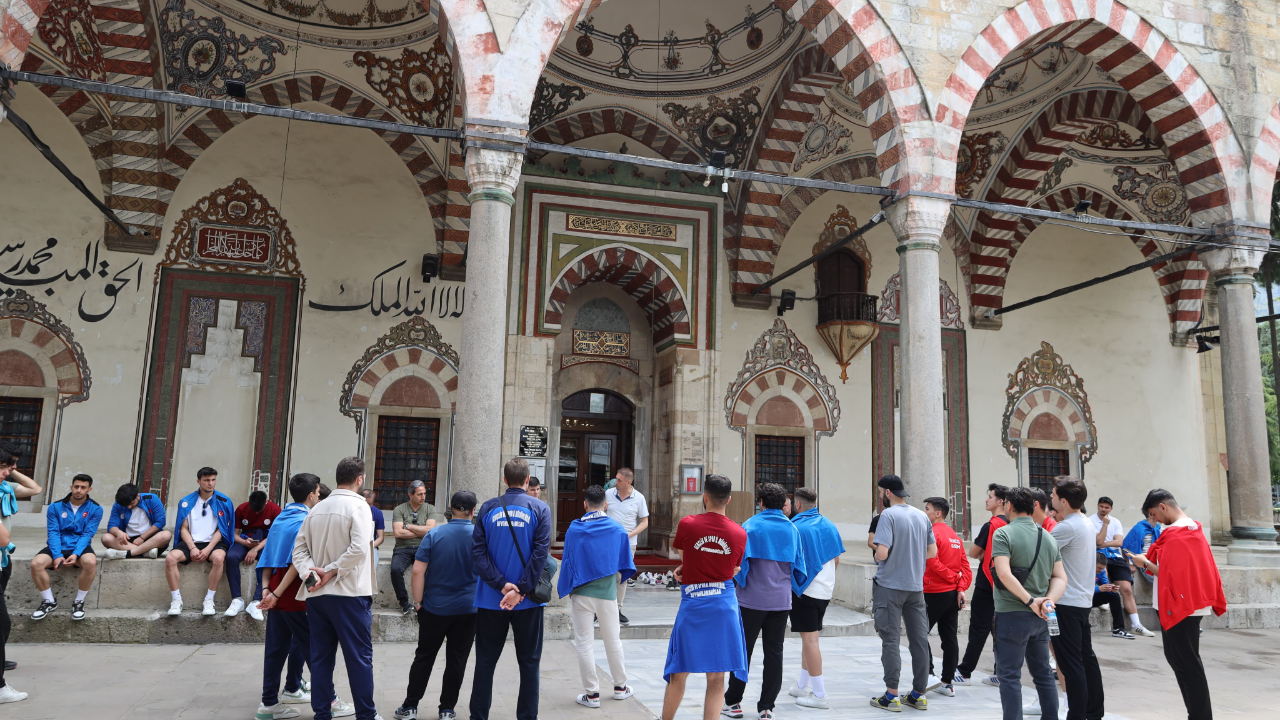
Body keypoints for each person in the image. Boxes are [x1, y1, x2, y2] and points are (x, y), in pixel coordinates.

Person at [292, 456, 379, 720]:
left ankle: (322, 714)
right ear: (360, 479)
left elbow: (299, 551)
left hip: (317, 595)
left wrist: (312, 575)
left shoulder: (316, 508)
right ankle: (366, 715)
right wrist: (330, 572)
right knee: (359, 658)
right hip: (349, 593)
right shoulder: (360, 507)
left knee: (320, 658)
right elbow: (359, 549)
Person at [1128, 489, 1226, 720]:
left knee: (1187, 664)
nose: (1155, 521)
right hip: (1187, 603)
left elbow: (1172, 575)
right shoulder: (1192, 529)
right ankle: (1197, 714)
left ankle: (1200, 716)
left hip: (1181, 605)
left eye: (1154, 514)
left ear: (1163, 507)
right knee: (1181, 661)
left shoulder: (1176, 533)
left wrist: (1144, 562)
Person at [469, 458, 551, 720]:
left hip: (492, 598)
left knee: (485, 662)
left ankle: (478, 716)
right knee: (529, 663)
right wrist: (521, 590)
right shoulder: (540, 508)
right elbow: (541, 555)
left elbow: (478, 553)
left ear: (505, 480)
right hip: (527, 602)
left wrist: (502, 585)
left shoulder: (488, 508)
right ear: (528, 481)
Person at [661, 474, 747, 720]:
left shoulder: (688, 524)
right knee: (717, 675)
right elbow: (733, 568)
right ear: (728, 500)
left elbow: (684, 555)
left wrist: (686, 568)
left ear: (704, 496)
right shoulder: (740, 533)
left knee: (679, 670)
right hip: (723, 605)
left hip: (694, 603)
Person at [394, 490, 482, 720]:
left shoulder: (434, 535)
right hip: (468, 608)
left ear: (450, 508)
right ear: (473, 511)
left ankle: (410, 706)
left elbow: (417, 571)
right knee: (457, 659)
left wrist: (418, 602)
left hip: (435, 607)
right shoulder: (480, 537)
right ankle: (447, 710)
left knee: (424, 655)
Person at [723, 483, 808, 720]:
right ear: (783, 504)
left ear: (760, 502)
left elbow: (740, 566)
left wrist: (741, 582)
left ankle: (733, 702)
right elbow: (800, 567)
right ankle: (766, 707)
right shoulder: (791, 529)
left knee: (743, 651)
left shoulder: (750, 526)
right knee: (774, 654)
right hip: (780, 602)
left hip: (750, 600)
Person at [991, 486, 1066, 720]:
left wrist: (1031, 600)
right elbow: (1061, 577)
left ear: (1009, 506)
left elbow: (1003, 574)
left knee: (1010, 675)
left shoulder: (1003, 534)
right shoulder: (1047, 536)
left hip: (1011, 614)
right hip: (1041, 617)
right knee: (1043, 673)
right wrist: (1047, 602)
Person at [557, 484, 636, 709]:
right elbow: (624, 563)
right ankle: (621, 687)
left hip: (581, 593)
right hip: (607, 593)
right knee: (613, 640)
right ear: (606, 504)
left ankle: (592, 694)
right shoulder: (616, 528)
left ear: (584, 505)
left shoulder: (574, 528)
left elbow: (569, 560)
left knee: (584, 643)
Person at [255, 473, 324, 720]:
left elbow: (267, 558)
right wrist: (275, 593)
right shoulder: (306, 520)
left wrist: (265, 590)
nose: (318, 495)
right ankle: (330, 700)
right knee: (316, 649)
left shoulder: (281, 517)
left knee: (275, 649)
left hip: (275, 587)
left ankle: (269, 702)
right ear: (311, 495)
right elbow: (298, 562)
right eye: (317, 492)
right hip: (292, 592)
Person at [869, 475, 937, 712]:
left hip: (889, 586)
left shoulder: (888, 515)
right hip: (915, 589)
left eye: (880, 492)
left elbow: (882, 554)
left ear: (887, 492)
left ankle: (891, 695)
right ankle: (918, 694)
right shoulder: (921, 515)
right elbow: (931, 552)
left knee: (891, 640)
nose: (880, 496)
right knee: (919, 641)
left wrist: (878, 548)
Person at [1049, 476, 1106, 720]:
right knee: (1086, 659)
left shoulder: (1068, 526)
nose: (1050, 499)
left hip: (1067, 603)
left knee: (1070, 664)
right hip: (1080, 601)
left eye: (1052, 496)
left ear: (1063, 500)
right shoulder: (1084, 522)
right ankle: (1093, 711)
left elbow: (1040, 554)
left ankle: (1078, 714)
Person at [786, 487, 844, 710]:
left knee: (810, 641)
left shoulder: (796, 527)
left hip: (805, 591)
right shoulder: (828, 523)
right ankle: (802, 685)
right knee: (808, 638)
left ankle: (820, 695)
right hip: (825, 590)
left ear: (797, 505)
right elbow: (836, 557)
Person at [30, 473, 101, 621]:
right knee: (36, 564)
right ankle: (49, 601)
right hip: (58, 545)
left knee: (91, 562)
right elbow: (53, 532)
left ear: (89, 489)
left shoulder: (96, 509)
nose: (79, 490)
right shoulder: (55, 507)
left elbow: (88, 534)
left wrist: (76, 554)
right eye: (76, 486)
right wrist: (56, 555)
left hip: (80, 546)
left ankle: (79, 602)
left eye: (83, 487)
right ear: (71, 487)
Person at [957, 483, 1008, 686]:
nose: (987, 500)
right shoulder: (1011, 524)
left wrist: (984, 553)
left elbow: (973, 552)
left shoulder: (992, 525)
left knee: (978, 628)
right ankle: (1000, 673)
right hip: (1006, 584)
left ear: (1000, 502)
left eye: (990, 497)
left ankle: (965, 672)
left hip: (987, 583)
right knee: (1001, 630)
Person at [165, 467, 234, 616]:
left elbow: (221, 530)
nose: (210, 483)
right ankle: (176, 600)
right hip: (192, 541)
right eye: (207, 480)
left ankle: (209, 600)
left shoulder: (224, 501)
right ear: (199, 481)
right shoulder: (186, 502)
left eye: (213, 480)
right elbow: (183, 528)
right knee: (170, 558)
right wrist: (192, 548)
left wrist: (208, 549)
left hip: (214, 543)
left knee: (218, 558)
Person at [921, 496, 970, 698]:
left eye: (927, 508)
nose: (925, 512)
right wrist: (959, 586)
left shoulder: (932, 533)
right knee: (949, 639)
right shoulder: (955, 537)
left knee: (920, 634)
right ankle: (948, 682)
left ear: (938, 513)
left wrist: (952, 579)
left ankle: (929, 674)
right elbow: (966, 568)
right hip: (951, 595)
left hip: (934, 592)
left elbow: (932, 562)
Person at [1088, 497, 1152, 637]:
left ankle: (1136, 625)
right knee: (1101, 570)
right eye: (1101, 506)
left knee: (1127, 589)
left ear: (1111, 508)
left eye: (1106, 507)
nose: (1103, 509)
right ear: (1097, 506)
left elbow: (1119, 542)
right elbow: (1097, 541)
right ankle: (1100, 597)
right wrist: (1104, 525)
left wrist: (1104, 544)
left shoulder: (1116, 521)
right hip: (1098, 555)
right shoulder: (1090, 521)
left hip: (1115, 556)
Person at [0, 443, 37, 679]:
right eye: (6, 465)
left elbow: (35, 488)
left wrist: (9, 471)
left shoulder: (6, 487)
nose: (11, 469)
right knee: (2, 621)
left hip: (4, 559)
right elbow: (4, 537)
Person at [228, 490, 282, 619]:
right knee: (230, 557)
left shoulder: (275, 510)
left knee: (269, 559)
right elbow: (234, 534)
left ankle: (257, 601)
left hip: (265, 542)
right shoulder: (242, 508)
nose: (257, 513)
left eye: (259, 511)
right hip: (246, 540)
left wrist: (255, 550)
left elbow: (274, 536)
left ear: (266, 502)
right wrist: (244, 542)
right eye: (254, 511)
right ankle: (237, 599)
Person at [604, 468, 648, 626]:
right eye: (616, 479)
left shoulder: (639, 498)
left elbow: (644, 521)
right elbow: (600, 512)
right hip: (608, 543)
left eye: (619, 480)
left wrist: (630, 534)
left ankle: (617, 610)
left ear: (628, 482)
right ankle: (601, 610)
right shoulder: (608, 494)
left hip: (628, 543)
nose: (616, 482)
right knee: (607, 575)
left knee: (622, 577)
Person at [391, 481, 437, 615]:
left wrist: (409, 526)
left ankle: (423, 602)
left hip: (423, 547)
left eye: (424, 494)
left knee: (431, 570)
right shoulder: (399, 509)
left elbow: (431, 531)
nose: (423, 497)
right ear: (410, 495)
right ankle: (404, 603)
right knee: (395, 570)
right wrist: (421, 530)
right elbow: (398, 533)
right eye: (419, 494)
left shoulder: (430, 509)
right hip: (402, 548)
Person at [102, 483, 172, 560]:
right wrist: (119, 533)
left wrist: (142, 538)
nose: (129, 507)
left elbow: (161, 521)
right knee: (106, 538)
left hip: (150, 539)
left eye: (132, 503)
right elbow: (112, 526)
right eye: (126, 505)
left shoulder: (151, 499)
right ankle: (145, 552)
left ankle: (127, 553)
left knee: (166, 535)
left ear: (138, 496)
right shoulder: (118, 504)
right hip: (128, 541)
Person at [1122, 507, 1160, 585]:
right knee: (1159, 582)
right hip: (1144, 561)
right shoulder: (1138, 529)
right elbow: (1125, 546)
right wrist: (1128, 564)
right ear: (1151, 514)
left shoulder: (1159, 529)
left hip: (1158, 561)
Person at [1092, 554, 1127, 638]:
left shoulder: (1102, 571)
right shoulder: (1084, 569)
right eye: (1099, 568)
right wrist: (1099, 589)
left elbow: (1105, 584)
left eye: (1102, 568)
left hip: (1092, 597)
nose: (1100, 570)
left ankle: (1118, 629)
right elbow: (1082, 588)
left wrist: (1112, 590)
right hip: (1081, 598)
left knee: (1115, 596)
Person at [360, 489, 385, 567]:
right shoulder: (352, 511)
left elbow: (380, 537)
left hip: (371, 546)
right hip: (353, 545)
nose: (367, 506)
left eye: (369, 504)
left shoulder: (377, 513)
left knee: (372, 566)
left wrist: (369, 546)